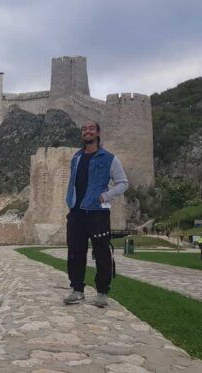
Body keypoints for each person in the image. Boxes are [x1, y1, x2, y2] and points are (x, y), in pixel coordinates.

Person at [63, 120, 129, 308]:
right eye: (84, 129)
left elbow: (123, 183)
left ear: (98, 133)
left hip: (97, 213)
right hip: (76, 212)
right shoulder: (76, 158)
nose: (87, 131)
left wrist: (105, 196)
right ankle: (77, 290)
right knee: (75, 252)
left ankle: (102, 292)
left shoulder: (109, 158)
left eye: (91, 128)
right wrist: (70, 200)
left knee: (102, 253)